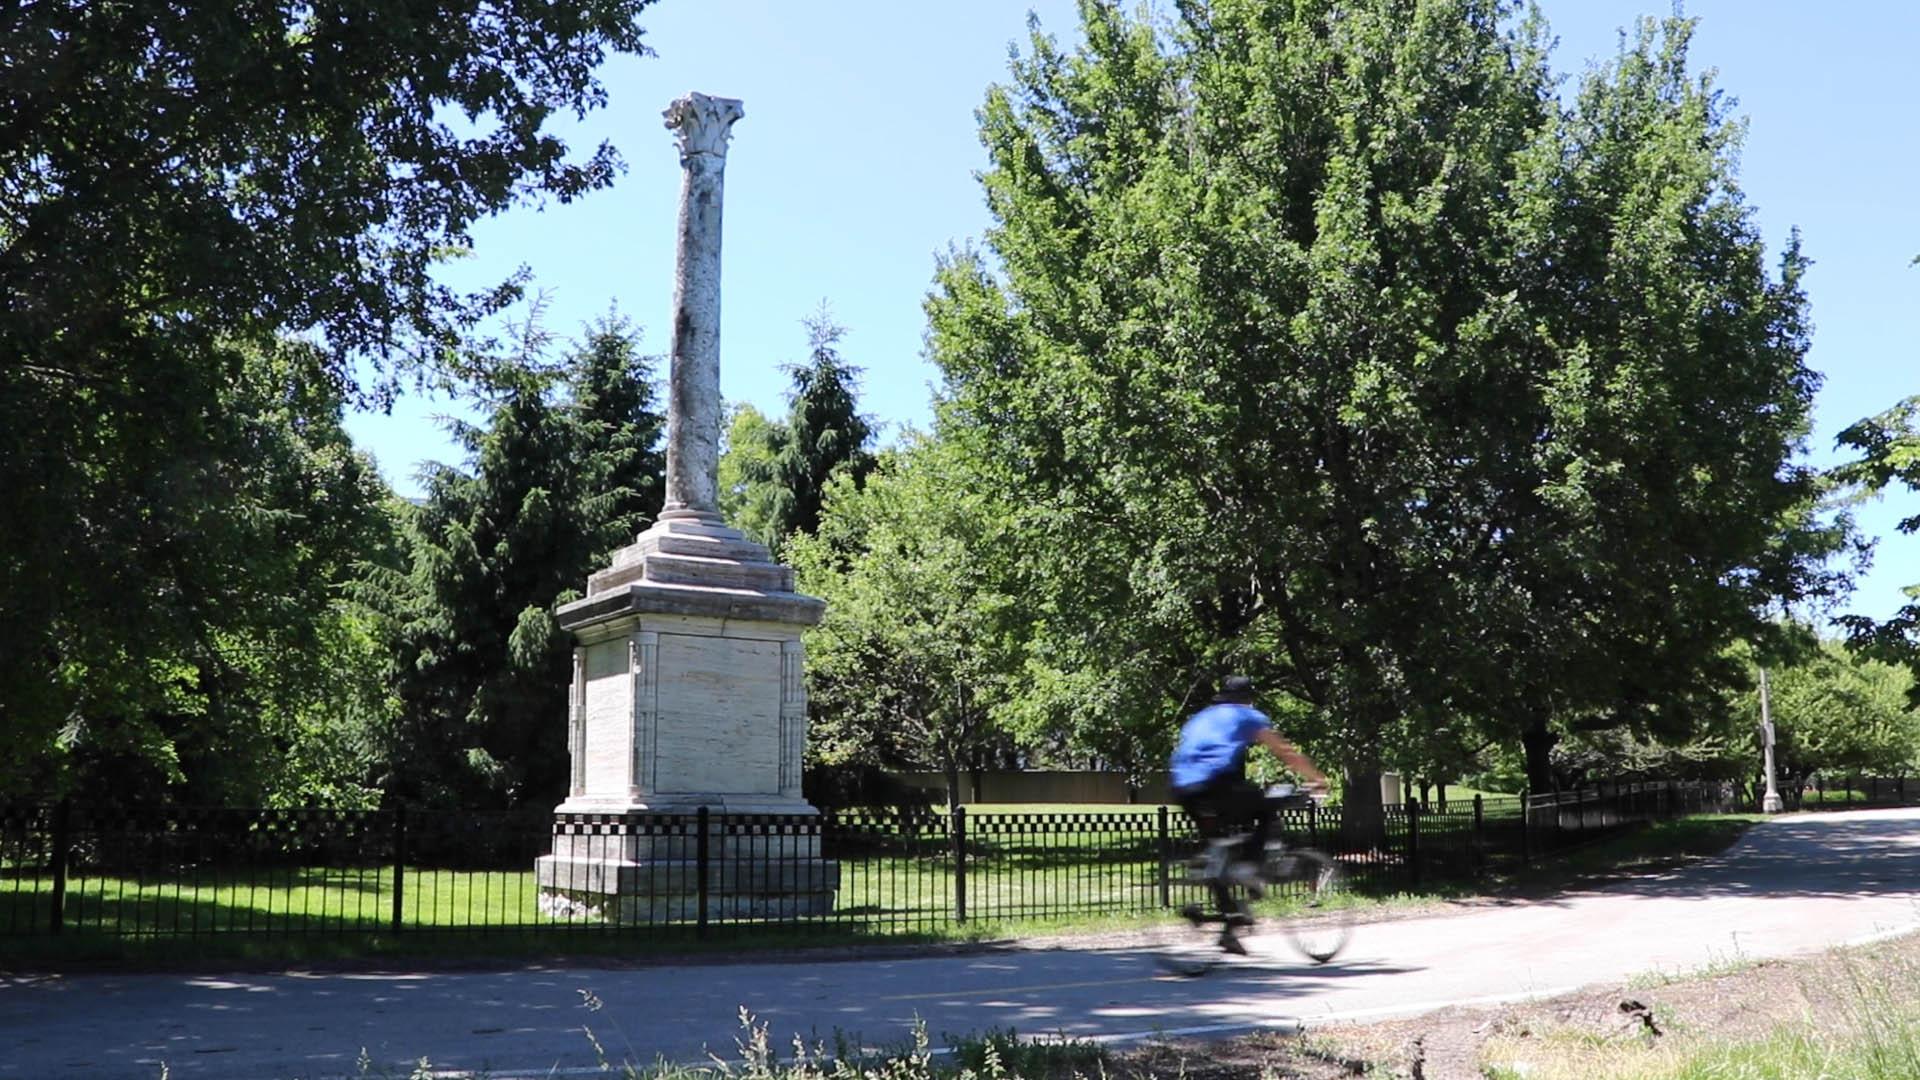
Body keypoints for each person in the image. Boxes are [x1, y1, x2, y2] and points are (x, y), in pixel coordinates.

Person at [1170, 675, 1330, 949]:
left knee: (1216, 851)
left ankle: (1230, 927)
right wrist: (1316, 778)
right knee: (1268, 807)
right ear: (1248, 698)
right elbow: (1285, 752)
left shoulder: (1202, 717)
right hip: (1215, 784)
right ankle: (1250, 869)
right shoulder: (1247, 715)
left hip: (1182, 788)